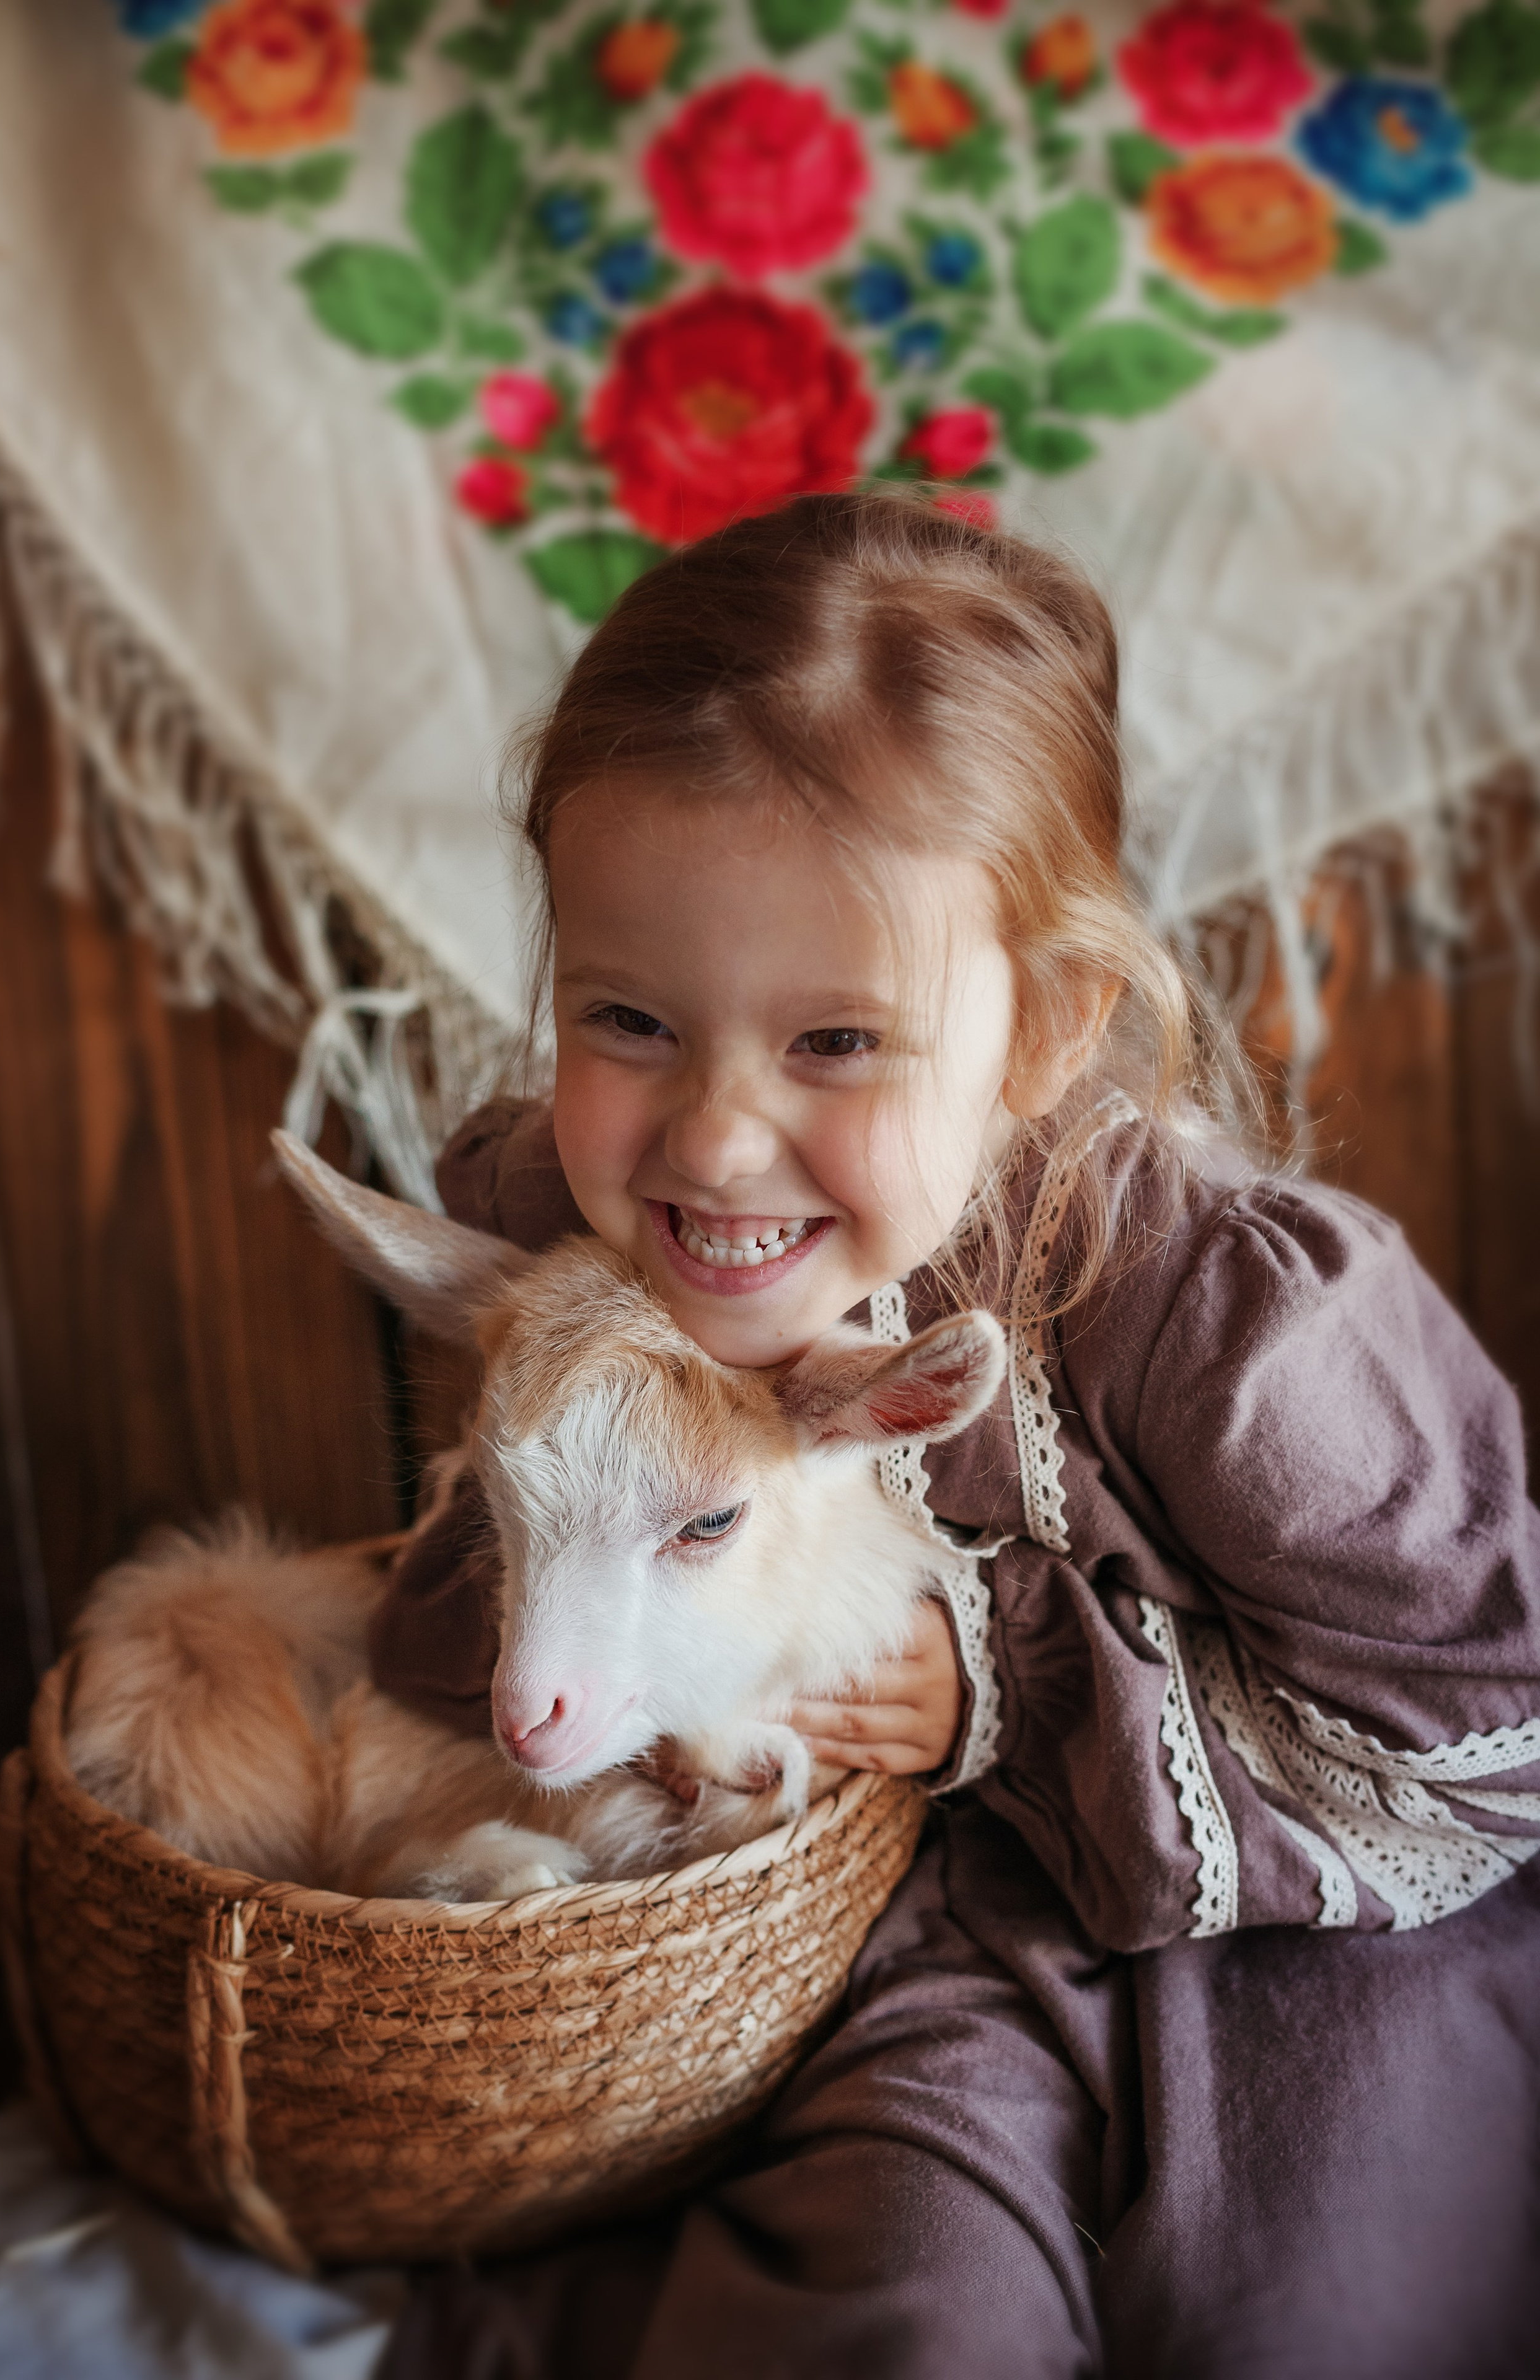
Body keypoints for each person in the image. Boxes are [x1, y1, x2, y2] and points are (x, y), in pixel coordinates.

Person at [372, 491, 1540, 2380]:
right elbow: (469, 1628)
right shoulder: (572, 1241)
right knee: (896, 2315)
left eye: (836, 1043)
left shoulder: (1234, 1320)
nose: (715, 1142)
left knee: (1307, 2321)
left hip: (1281, 1942)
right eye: (630, 1018)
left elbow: (1483, 1744)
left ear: (1045, 1031)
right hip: (870, 1941)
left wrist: (1007, 1685)